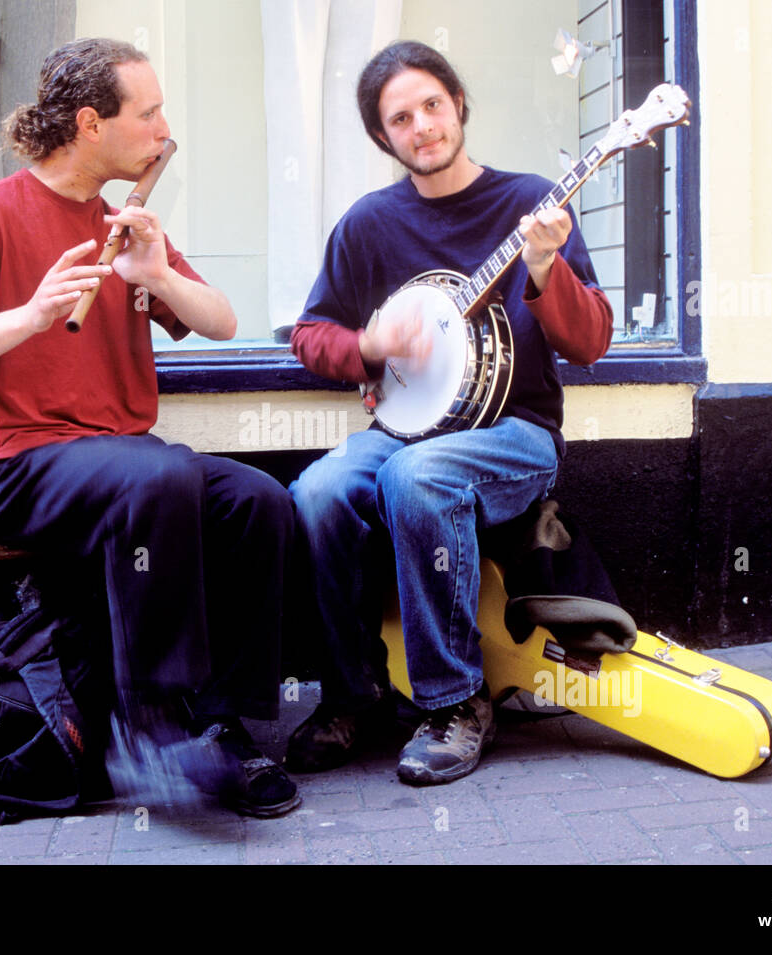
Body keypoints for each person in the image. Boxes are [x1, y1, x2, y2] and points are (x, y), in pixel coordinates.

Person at [0, 38, 299, 817]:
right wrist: (34, 315)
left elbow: (221, 321)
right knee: (159, 474)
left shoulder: (125, 223)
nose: (163, 129)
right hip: (21, 464)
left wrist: (156, 276)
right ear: (90, 123)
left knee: (260, 501)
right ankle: (148, 726)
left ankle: (221, 722)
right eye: (148, 113)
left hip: (125, 462)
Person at [285, 41, 614, 785]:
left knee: (417, 477)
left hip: (516, 433)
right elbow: (311, 333)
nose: (422, 126)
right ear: (383, 138)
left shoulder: (530, 201)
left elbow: (590, 341)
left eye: (432, 104)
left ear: (458, 104)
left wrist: (543, 269)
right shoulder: (370, 224)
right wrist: (367, 343)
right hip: (405, 426)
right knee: (316, 493)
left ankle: (455, 702)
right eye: (400, 118)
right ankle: (353, 693)